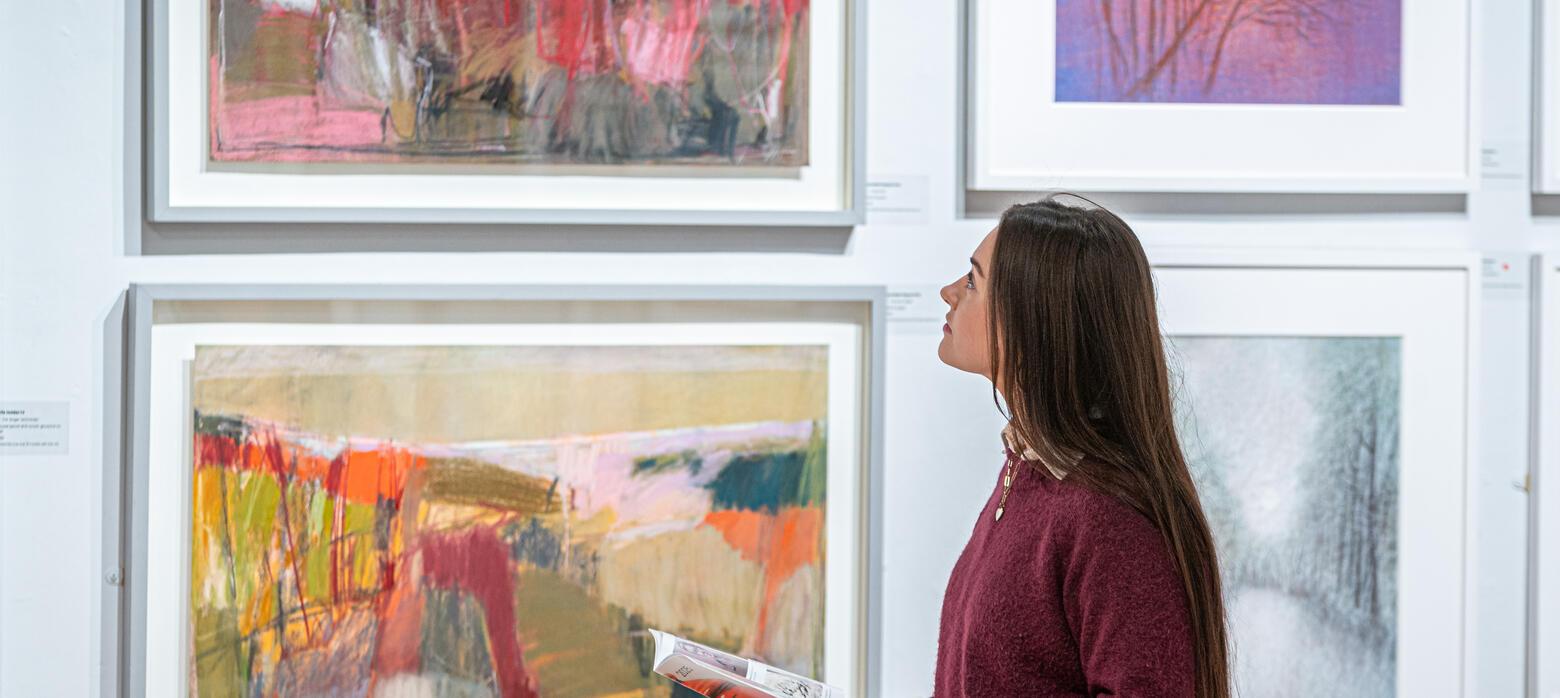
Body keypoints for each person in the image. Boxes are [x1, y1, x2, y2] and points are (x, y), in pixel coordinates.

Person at [933, 195, 1230, 697]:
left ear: (1030, 320)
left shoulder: (1110, 519)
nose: (948, 293)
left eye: (972, 281)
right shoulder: (1028, 476)